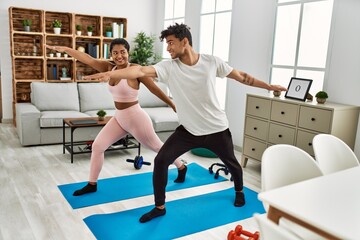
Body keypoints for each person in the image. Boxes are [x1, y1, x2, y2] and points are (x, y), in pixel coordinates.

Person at [83, 23, 287, 222]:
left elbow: (243, 77)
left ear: (185, 41)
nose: (168, 48)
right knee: (161, 161)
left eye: (171, 43)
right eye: (167, 44)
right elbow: (140, 71)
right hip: (188, 131)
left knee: (232, 164)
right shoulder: (169, 67)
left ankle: (239, 191)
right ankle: (159, 207)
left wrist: (268, 85)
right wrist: (112, 73)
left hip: (216, 128)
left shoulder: (211, 62)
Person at [46, 38, 187, 196]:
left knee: (157, 147)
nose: (119, 56)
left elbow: (154, 89)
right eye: (115, 53)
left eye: (122, 52)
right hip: (119, 117)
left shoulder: (135, 70)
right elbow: (86, 58)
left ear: (128, 52)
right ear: (110, 54)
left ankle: (181, 166)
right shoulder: (108, 67)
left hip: (136, 117)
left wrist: (172, 103)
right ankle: (92, 184)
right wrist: (65, 49)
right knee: (98, 146)